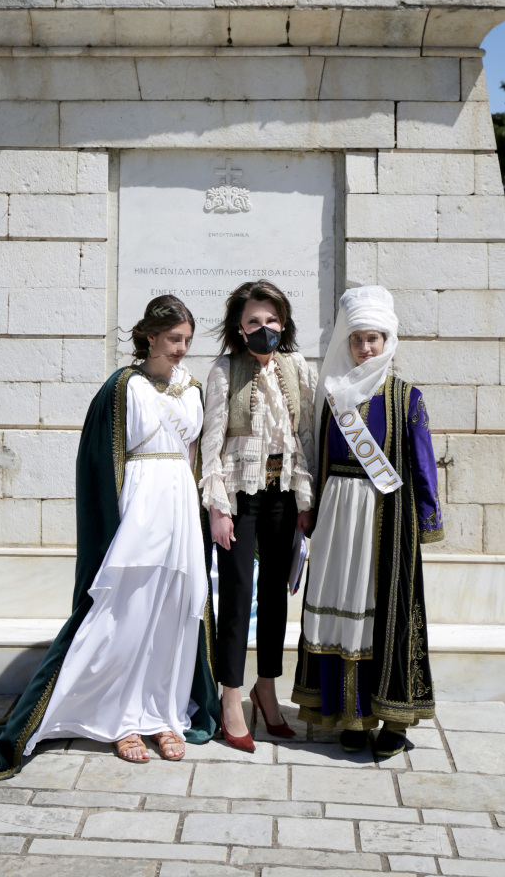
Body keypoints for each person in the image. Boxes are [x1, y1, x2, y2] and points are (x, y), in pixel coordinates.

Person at [0, 295, 218, 780]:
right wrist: (114, 525)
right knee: (122, 616)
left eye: (187, 340)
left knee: (173, 612)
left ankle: (164, 714)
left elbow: (194, 457)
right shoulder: (122, 387)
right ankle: (119, 720)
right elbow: (98, 464)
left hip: (181, 512)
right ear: (150, 336)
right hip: (140, 512)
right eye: (174, 339)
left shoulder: (191, 389)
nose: (181, 349)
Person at [291, 285, 443, 759]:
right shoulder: (333, 393)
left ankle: (394, 717)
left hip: (387, 518)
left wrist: (426, 519)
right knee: (338, 606)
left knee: (388, 614)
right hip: (338, 512)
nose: (365, 347)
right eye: (357, 338)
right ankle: (349, 713)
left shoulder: (405, 397)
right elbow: (318, 456)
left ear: (388, 339)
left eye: (374, 338)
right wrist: (310, 506)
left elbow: (422, 464)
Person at [200, 279, 317, 751]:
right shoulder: (224, 370)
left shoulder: (297, 368)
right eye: (254, 321)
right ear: (239, 327)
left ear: (282, 324)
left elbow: (305, 438)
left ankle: (264, 689)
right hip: (239, 497)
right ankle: (231, 696)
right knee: (235, 597)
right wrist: (217, 508)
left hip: (283, 496)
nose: (263, 328)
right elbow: (211, 443)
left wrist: (305, 503)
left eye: (271, 320)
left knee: (275, 599)